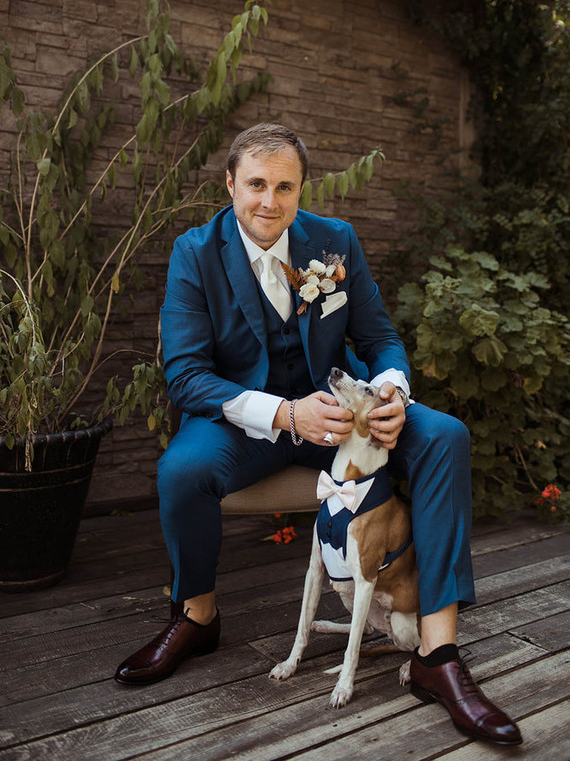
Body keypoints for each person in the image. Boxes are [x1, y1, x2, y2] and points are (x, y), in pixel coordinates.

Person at [114, 123, 522, 746]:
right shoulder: (195, 253)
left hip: (344, 418)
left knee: (444, 437)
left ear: (302, 188)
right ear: (230, 185)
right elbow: (187, 377)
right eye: (256, 184)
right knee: (182, 470)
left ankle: (437, 655)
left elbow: (380, 338)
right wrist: (284, 414)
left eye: (285, 187)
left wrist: (390, 392)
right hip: (249, 422)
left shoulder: (335, 241)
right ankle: (197, 616)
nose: (269, 201)